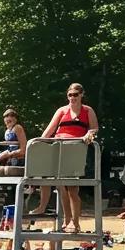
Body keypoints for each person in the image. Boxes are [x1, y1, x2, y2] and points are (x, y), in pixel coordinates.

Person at [30, 83, 100, 232]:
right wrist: (38, 144)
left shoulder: (88, 110)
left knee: (73, 189)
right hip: (59, 147)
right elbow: (50, 129)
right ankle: (66, 220)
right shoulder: (62, 111)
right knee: (61, 187)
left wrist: (89, 134)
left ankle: (75, 223)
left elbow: (94, 128)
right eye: (70, 95)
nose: (72, 98)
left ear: (81, 95)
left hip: (76, 149)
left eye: (75, 95)